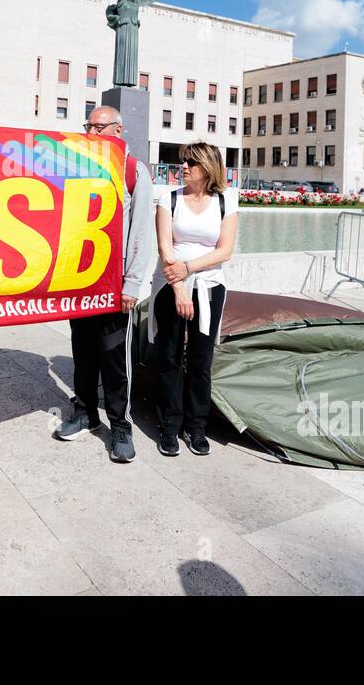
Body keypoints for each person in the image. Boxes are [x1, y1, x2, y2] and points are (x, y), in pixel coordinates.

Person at [54, 105, 154, 463]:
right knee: (82, 352)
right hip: (79, 282)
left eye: (99, 127)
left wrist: (132, 284)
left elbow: (142, 231)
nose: (92, 133)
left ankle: (120, 426)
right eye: (88, 127)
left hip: (114, 287)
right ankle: (84, 412)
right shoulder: (76, 168)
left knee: (114, 359)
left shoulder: (132, 171)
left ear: (118, 130)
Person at [151, 142, 238, 457]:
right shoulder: (168, 199)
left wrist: (187, 269)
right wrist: (178, 286)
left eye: (191, 162)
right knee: (170, 358)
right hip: (170, 287)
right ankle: (170, 427)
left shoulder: (226, 202)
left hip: (210, 286)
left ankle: (196, 427)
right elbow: (165, 248)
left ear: (208, 167)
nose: (183, 166)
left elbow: (224, 251)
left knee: (201, 360)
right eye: (183, 161)